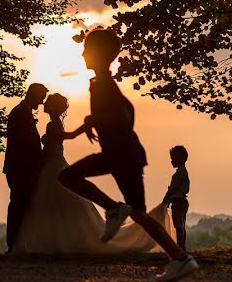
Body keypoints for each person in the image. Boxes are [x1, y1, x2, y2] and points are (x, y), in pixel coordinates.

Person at [58, 28, 199, 282]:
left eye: (87, 50)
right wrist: (78, 131)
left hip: (120, 154)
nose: (82, 54)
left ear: (98, 54)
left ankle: (113, 209)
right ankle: (181, 259)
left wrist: (92, 119)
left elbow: (123, 118)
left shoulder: (102, 85)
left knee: (67, 176)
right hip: (128, 154)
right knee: (139, 213)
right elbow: (128, 111)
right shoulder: (103, 83)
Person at [14, 93, 176, 254]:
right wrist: (86, 126)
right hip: (55, 165)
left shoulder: (52, 125)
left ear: (53, 107)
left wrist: (38, 165)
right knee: (58, 206)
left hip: (51, 166)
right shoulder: (55, 123)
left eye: (48, 102)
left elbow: (51, 148)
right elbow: (66, 138)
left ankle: (111, 211)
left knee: (52, 204)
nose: (44, 104)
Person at [3, 82, 48, 253]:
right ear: (34, 95)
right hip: (20, 168)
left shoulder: (23, 112)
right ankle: (13, 244)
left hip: (22, 167)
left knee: (22, 204)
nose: (42, 103)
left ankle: (19, 244)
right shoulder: (20, 113)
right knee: (18, 205)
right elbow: (24, 145)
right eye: (41, 98)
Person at [163, 145, 191, 250]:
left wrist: (166, 199)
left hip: (178, 202)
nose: (171, 161)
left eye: (173, 159)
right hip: (182, 201)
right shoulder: (183, 172)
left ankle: (180, 247)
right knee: (181, 225)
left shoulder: (179, 174)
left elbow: (172, 190)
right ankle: (182, 246)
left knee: (179, 226)